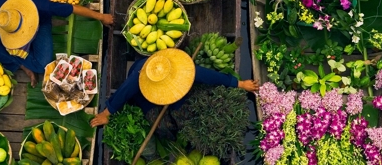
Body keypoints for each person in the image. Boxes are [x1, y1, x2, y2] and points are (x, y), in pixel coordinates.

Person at [89, 48, 259, 127]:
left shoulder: (184, 70)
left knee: (184, 111)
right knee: (161, 124)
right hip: (145, 96)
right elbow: (123, 93)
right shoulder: (138, 79)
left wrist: (240, 84)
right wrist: (106, 114)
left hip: (172, 84)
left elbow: (210, 76)